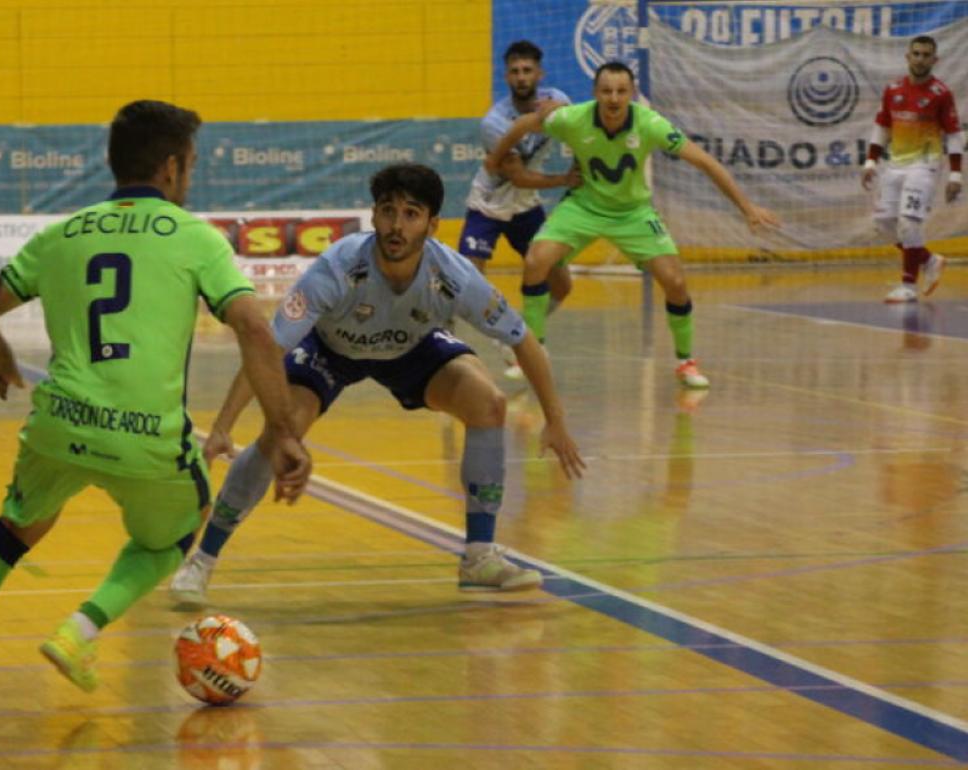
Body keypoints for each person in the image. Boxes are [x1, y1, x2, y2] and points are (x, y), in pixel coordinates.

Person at [0, 100, 312, 707]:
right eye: (191, 165)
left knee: (15, 529)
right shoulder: (196, 238)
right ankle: (79, 631)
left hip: (59, 425)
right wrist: (284, 430)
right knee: (179, 530)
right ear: (171, 168)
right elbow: (253, 329)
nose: (189, 177)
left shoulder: (60, 235)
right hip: (146, 437)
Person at [168, 162, 587, 608]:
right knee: (280, 432)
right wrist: (223, 427)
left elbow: (522, 339)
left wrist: (555, 420)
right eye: (388, 211)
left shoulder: (453, 274)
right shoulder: (338, 266)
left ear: (432, 224)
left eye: (411, 214)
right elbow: (266, 349)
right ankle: (202, 561)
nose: (397, 225)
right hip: (331, 349)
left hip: (410, 347)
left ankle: (479, 557)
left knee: (489, 403)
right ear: (374, 215)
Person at [485, 61, 780, 390]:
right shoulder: (572, 118)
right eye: (606, 91)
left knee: (675, 282)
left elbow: (705, 162)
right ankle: (533, 352)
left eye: (621, 91)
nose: (614, 98)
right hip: (583, 207)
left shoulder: (650, 124)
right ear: (595, 93)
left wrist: (746, 207)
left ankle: (686, 362)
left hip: (634, 213)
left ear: (632, 93)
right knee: (535, 261)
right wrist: (496, 158)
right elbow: (523, 124)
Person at [460, 40, 581, 378]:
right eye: (514, 71)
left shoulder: (557, 101)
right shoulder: (494, 122)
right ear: (506, 77)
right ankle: (497, 336)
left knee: (562, 285)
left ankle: (521, 333)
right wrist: (564, 179)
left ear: (539, 74)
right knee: (469, 280)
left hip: (526, 207)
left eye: (527, 70)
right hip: (488, 203)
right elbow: (518, 176)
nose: (521, 76)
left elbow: (580, 131)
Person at [862, 35, 962, 304]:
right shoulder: (892, 89)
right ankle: (928, 260)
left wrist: (955, 174)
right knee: (884, 223)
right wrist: (870, 161)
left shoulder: (941, 94)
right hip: (894, 164)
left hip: (924, 165)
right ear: (908, 56)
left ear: (934, 60)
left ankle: (908, 286)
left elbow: (954, 135)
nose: (920, 59)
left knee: (909, 221)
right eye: (916, 53)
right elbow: (882, 127)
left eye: (926, 55)